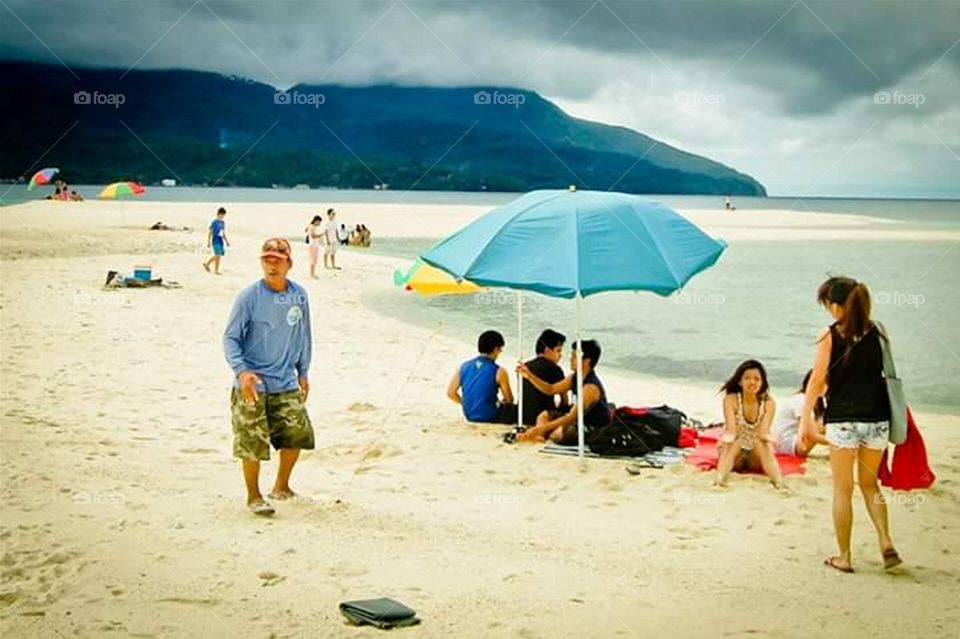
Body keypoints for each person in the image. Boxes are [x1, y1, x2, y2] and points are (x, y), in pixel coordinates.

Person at [800, 276, 901, 573]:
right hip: (877, 419)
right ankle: (885, 541)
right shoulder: (878, 331)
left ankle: (844, 556)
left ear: (835, 305)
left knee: (843, 490)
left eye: (827, 304)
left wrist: (807, 417)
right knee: (870, 485)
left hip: (844, 420)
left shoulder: (830, 335)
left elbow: (818, 380)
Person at [223, 237, 315, 516]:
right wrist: (242, 372)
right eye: (267, 259)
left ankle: (281, 486)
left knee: (297, 434)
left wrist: (304, 370)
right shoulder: (249, 296)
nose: (272, 264)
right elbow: (230, 338)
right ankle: (254, 496)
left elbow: (304, 334)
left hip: (286, 379)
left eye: (278, 259)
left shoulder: (299, 295)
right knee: (252, 440)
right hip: (252, 383)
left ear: (289, 263)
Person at [516, 340, 610, 443]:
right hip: (576, 420)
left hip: (593, 426)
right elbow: (550, 389)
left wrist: (541, 428)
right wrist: (529, 376)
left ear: (586, 361)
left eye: (574, 356)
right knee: (544, 415)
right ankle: (540, 437)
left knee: (558, 433)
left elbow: (571, 417)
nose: (570, 359)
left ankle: (540, 435)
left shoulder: (590, 388)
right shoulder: (574, 377)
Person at [714, 359, 783, 489]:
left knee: (761, 443)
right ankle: (720, 480)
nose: (752, 382)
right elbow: (732, 431)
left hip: (755, 456)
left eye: (757, 379)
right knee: (736, 442)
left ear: (762, 383)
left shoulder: (769, 402)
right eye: (747, 378)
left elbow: (763, 433)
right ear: (740, 381)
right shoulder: (731, 399)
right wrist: (726, 439)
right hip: (735, 455)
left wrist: (771, 439)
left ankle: (779, 483)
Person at [447, 330, 517, 423]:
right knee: (518, 410)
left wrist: (466, 403)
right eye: (500, 349)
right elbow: (509, 400)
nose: (500, 352)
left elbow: (451, 393)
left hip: (469, 415)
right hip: (491, 416)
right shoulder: (499, 371)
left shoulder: (464, 366)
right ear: (496, 349)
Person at [520, 329, 568, 426]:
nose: (561, 355)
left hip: (524, 417)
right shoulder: (555, 369)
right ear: (547, 350)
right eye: (558, 351)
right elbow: (564, 400)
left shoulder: (525, 367)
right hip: (543, 419)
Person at [772, 371, 825, 457]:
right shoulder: (801, 399)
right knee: (821, 427)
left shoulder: (816, 402)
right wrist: (838, 443)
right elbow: (812, 435)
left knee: (824, 425)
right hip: (785, 445)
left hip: (792, 441)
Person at [203, 207, 230, 275]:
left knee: (219, 256)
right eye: (221, 214)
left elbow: (223, 233)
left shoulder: (223, 222)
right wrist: (208, 241)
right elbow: (210, 232)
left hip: (221, 240)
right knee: (217, 255)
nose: (223, 216)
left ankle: (214, 269)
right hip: (215, 240)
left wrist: (226, 241)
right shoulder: (214, 222)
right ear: (218, 214)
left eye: (224, 215)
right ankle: (208, 265)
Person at [305, 214, 324, 279]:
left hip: (314, 245)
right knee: (313, 260)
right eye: (319, 222)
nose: (319, 223)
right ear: (316, 221)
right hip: (313, 245)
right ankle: (311, 274)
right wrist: (320, 235)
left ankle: (312, 273)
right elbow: (313, 236)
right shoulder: (312, 227)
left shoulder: (312, 227)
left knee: (314, 260)